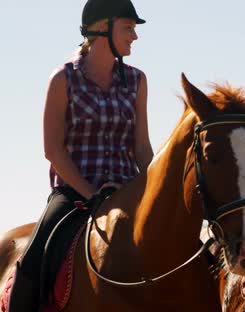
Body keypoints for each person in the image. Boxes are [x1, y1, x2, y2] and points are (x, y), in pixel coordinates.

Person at [8, 0, 153, 310]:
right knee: (33, 262)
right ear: (103, 28)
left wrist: (153, 188)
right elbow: (53, 150)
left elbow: (141, 147)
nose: (134, 36)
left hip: (127, 189)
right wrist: (91, 194)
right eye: (128, 27)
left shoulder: (138, 81)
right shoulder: (62, 79)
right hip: (74, 193)